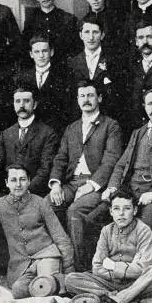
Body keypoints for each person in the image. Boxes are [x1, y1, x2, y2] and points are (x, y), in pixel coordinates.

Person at [85, 88, 152, 228]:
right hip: (129, 191)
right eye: (149, 104)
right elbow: (121, 166)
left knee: (143, 229)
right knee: (92, 219)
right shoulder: (138, 132)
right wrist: (112, 187)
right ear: (144, 107)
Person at [47, 81, 123, 271]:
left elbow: (110, 160)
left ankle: (78, 267)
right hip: (71, 183)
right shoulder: (71, 128)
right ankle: (57, 261)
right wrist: (56, 184)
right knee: (47, 204)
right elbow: (61, 158)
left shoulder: (111, 126)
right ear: (77, 100)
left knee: (75, 211)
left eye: (90, 95)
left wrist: (91, 184)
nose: (86, 100)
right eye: (82, 96)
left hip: (96, 186)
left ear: (99, 98)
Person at [65, 189, 152, 303]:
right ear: (111, 212)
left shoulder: (143, 231)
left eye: (127, 208)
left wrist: (113, 266)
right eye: (117, 209)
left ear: (135, 211)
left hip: (135, 283)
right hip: (109, 283)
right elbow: (97, 267)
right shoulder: (106, 231)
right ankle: (118, 299)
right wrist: (123, 270)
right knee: (70, 279)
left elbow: (143, 268)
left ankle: (116, 300)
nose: (122, 213)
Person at [0, 164, 74, 298]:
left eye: (22, 179)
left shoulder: (40, 203)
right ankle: (52, 288)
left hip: (47, 255)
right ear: (6, 183)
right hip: (21, 264)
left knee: (45, 287)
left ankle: (55, 284)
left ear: (29, 181)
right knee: (18, 291)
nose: (18, 184)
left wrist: (68, 272)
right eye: (13, 180)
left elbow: (60, 237)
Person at [0, 86, 59, 208]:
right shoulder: (6, 134)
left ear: (35, 104)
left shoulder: (47, 133)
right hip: (8, 192)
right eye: (18, 101)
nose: (22, 105)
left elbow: (45, 169)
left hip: (34, 192)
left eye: (26, 101)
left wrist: (23, 190)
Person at [67, 15, 125, 124]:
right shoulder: (72, 63)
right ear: (80, 35)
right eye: (87, 32)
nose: (91, 37)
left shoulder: (114, 61)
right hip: (80, 120)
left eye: (95, 32)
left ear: (102, 35)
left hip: (108, 120)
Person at [15, 34, 75, 133]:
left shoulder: (64, 75)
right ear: (31, 54)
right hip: (30, 131)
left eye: (44, 51)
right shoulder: (23, 77)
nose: (41, 56)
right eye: (37, 52)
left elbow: (69, 108)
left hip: (56, 131)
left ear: (51, 52)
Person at [21, 0, 81, 65]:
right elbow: (25, 46)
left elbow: (77, 48)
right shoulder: (31, 19)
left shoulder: (68, 19)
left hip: (62, 67)